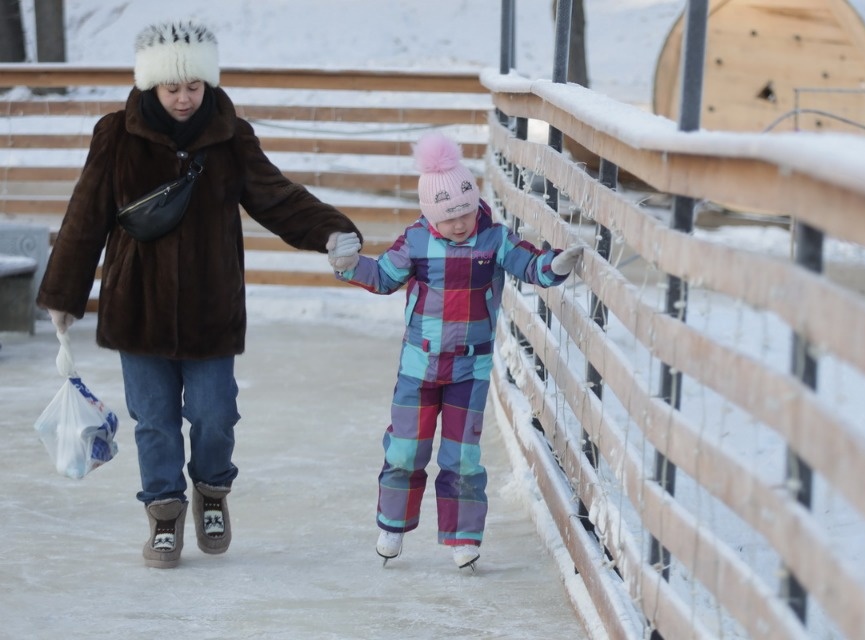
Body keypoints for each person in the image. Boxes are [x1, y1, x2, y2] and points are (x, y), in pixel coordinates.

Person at [36, 21, 363, 569]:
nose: (185, 98)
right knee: (155, 419)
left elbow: (276, 197)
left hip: (212, 310)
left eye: (194, 86)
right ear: (151, 86)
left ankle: (211, 492)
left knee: (215, 415)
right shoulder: (116, 135)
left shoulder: (231, 136)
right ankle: (164, 514)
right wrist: (64, 293)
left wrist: (330, 229)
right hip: (137, 308)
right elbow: (85, 216)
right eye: (172, 87)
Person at [326, 132, 584, 569]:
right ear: (430, 215)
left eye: (465, 211)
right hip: (418, 365)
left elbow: (528, 264)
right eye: (449, 217)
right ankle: (392, 523)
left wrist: (553, 266)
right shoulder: (416, 241)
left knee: (462, 456)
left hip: (470, 366)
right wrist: (349, 266)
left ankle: (462, 536)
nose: (460, 223)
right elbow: (384, 277)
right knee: (406, 449)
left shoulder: (494, 239)